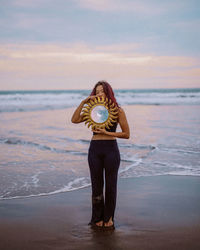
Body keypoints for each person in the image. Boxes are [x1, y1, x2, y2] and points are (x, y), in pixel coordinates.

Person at [71, 81, 130, 230]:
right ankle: (97, 218)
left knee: (111, 186)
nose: (99, 94)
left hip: (111, 149)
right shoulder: (92, 111)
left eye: (102, 91)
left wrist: (107, 132)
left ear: (108, 93)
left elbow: (126, 134)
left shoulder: (117, 110)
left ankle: (109, 218)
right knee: (96, 186)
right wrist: (83, 102)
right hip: (95, 150)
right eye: (96, 92)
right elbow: (74, 119)